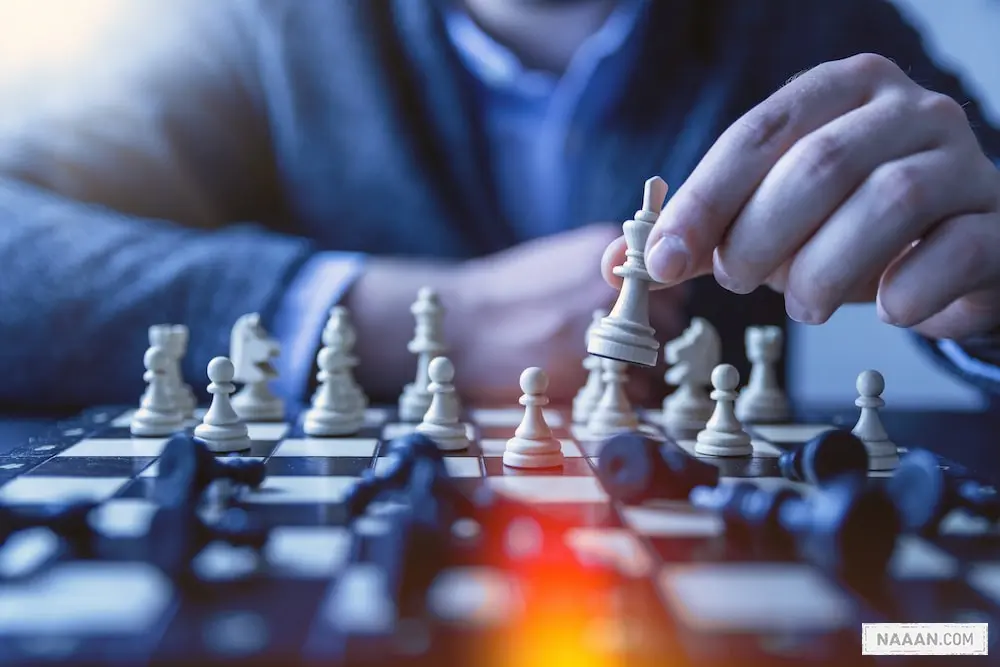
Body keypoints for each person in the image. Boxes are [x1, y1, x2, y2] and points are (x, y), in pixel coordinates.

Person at [0, 0, 997, 411]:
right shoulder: (242, 27)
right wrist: (407, 320)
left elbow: (972, 217)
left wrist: (991, 306)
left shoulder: (814, 26)